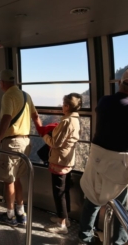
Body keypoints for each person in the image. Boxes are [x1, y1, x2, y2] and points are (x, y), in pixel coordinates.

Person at [78, 67, 128, 244]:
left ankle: (85, 238)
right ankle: (118, 242)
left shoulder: (104, 101)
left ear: (120, 83)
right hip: (122, 164)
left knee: (92, 197)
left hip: (98, 159)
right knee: (125, 207)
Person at [0, 69, 42, 226]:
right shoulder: (26, 95)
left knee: (9, 180)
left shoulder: (8, 96)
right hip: (25, 142)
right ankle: (21, 213)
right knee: (17, 179)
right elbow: (35, 116)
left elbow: (6, 118)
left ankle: (10, 216)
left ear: (3, 82)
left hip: (12, 144)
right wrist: (44, 135)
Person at [41, 93, 82, 234]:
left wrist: (44, 135)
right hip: (68, 159)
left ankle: (62, 224)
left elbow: (55, 143)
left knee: (59, 192)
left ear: (67, 106)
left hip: (59, 160)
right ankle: (64, 217)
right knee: (64, 190)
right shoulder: (76, 120)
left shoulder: (66, 122)